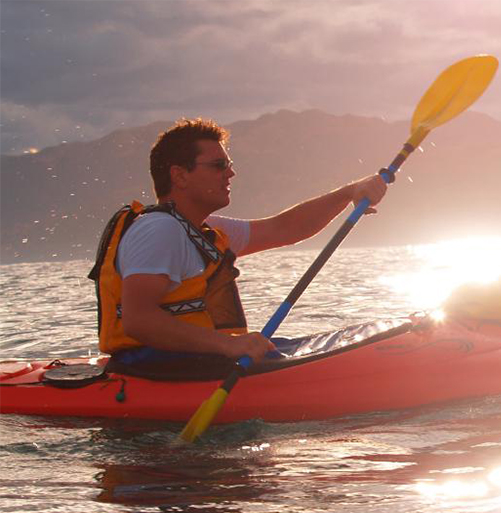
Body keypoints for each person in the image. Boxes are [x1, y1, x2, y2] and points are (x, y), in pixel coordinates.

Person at [88, 118, 388, 375]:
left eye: (228, 164)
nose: (230, 173)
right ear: (179, 175)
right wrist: (229, 344)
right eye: (219, 165)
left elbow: (285, 229)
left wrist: (349, 193)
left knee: (316, 343)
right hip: (155, 367)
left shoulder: (201, 230)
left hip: (191, 361)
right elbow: (138, 320)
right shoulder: (159, 230)